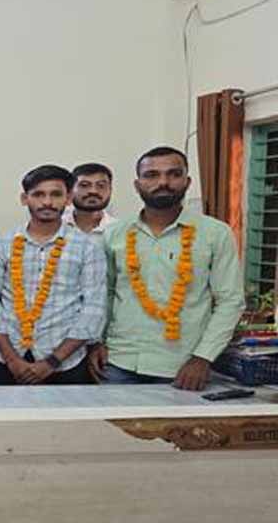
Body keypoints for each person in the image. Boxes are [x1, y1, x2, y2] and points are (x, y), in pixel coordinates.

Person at [89, 146, 244, 390]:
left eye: (174, 174)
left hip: (183, 368)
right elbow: (104, 294)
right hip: (119, 362)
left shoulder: (215, 233)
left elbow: (230, 301)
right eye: (152, 175)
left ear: (187, 181)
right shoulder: (114, 234)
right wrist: (97, 341)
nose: (163, 182)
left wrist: (203, 357)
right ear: (137, 185)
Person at [0, 165, 107, 384]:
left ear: (68, 198)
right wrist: (12, 360)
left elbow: (94, 308)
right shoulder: (2, 244)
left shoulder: (87, 247)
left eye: (56, 194)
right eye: (38, 194)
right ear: (25, 199)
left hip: (66, 363)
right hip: (8, 361)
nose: (47, 202)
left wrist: (51, 362)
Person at [64, 162, 117, 234]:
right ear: (71, 190)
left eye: (101, 185)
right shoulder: (56, 225)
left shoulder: (119, 230)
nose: (93, 191)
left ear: (110, 190)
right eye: (84, 185)